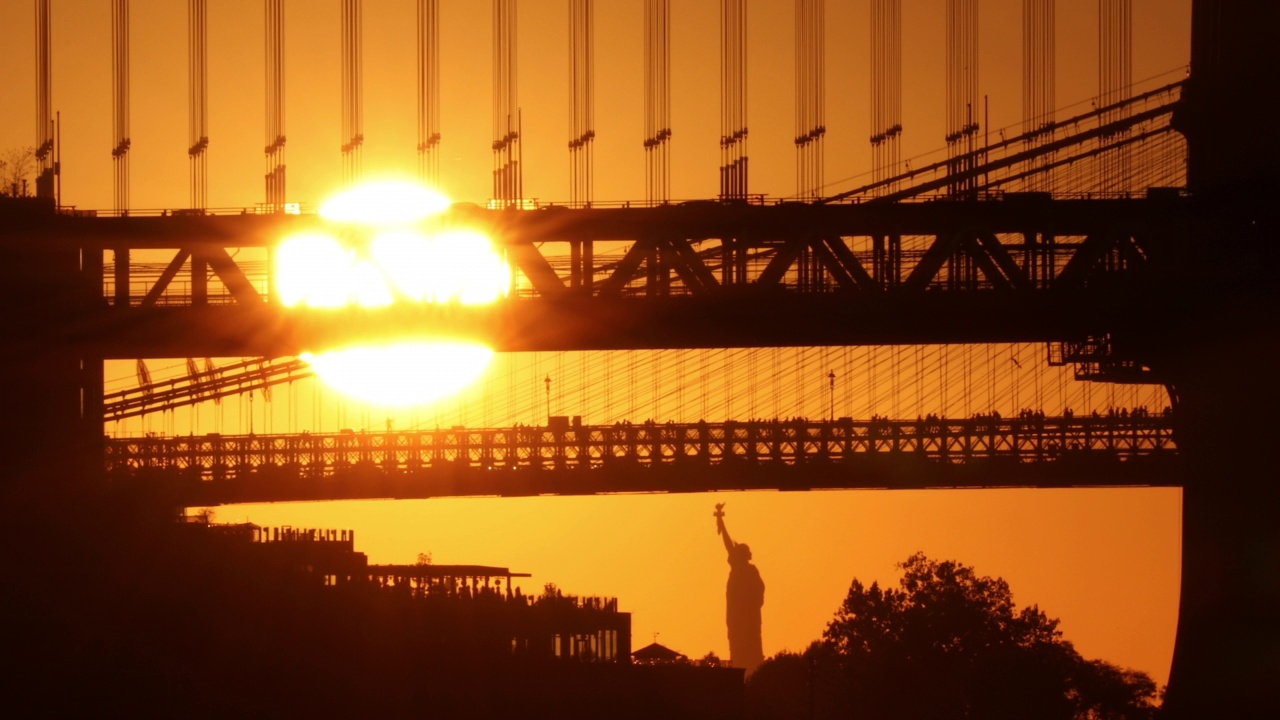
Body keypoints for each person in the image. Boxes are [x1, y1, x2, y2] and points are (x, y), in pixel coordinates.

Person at [714, 503, 764, 674]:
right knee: (736, 645)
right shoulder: (740, 570)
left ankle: (752, 672)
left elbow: (759, 594)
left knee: (750, 647)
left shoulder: (750, 572)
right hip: (737, 618)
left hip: (748, 619)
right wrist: (721, 521)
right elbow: (728, 544)